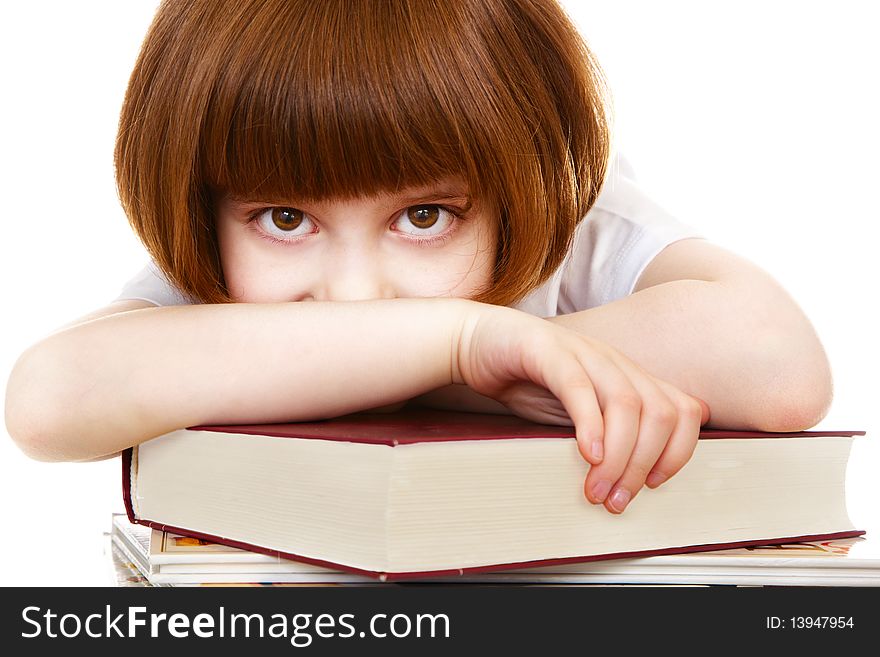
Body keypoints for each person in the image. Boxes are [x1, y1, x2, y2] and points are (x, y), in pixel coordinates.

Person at [4, 0, 832, 516]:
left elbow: (776, 364)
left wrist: (444, 368)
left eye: (424, 216)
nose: (357, 294)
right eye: (287, 219)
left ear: (522, 192)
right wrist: (462, 345)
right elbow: (47, 400)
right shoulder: (217, 276)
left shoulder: (572, 229)